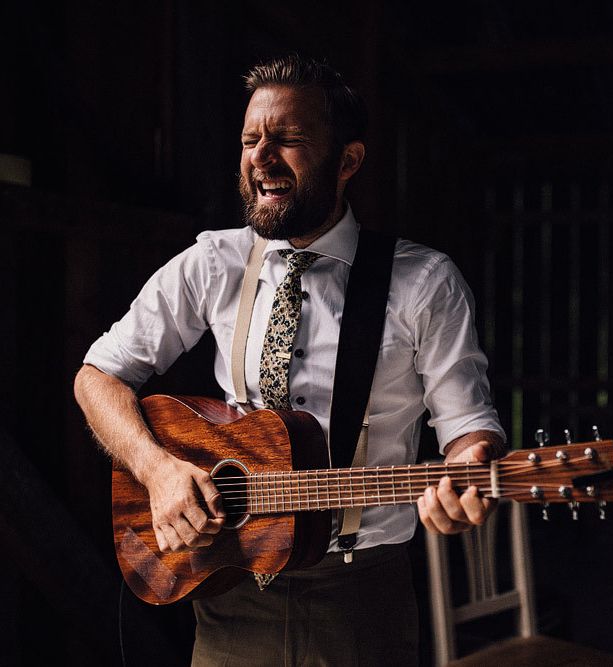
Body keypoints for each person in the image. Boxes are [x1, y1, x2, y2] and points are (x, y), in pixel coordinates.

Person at [74, 55, 506, 666]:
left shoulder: (423, 282)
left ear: (348, 161)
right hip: (228, 591)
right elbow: (97, 377)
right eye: (251, 140)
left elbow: (466, 430)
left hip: (360, 600)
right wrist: (156, 469)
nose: (261, 157)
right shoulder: (211, 263)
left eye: (288, 140)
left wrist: (472, 471)